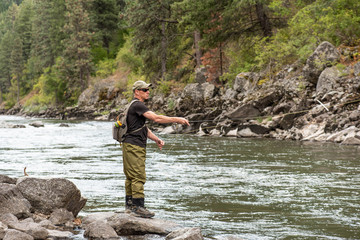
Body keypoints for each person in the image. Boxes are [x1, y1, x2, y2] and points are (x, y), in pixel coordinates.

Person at [122, 80, 190, 218]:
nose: (148, 92)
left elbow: (143, 128)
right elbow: (156, 118)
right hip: (134, 146)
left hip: (129, 144)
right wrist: (176, 119)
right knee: (138, 176)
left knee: (131, 176)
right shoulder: (138, 105)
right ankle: (138, 207)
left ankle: (130, 205)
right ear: (137, 92)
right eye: (145, 90)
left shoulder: (134, 106)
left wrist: (156, 139)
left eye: (148, 89)